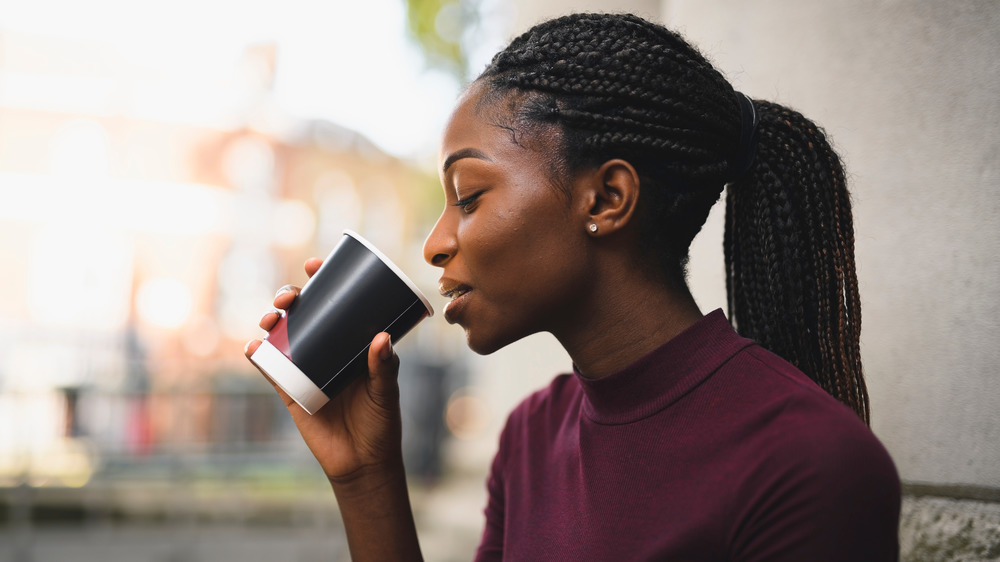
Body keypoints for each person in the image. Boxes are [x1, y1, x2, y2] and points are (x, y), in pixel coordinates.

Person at [245, 12, 901, 561]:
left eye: (469, 196)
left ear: (608, 198)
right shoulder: (532, 436)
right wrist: (366, 477)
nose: (436, 242)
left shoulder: (811, 464)